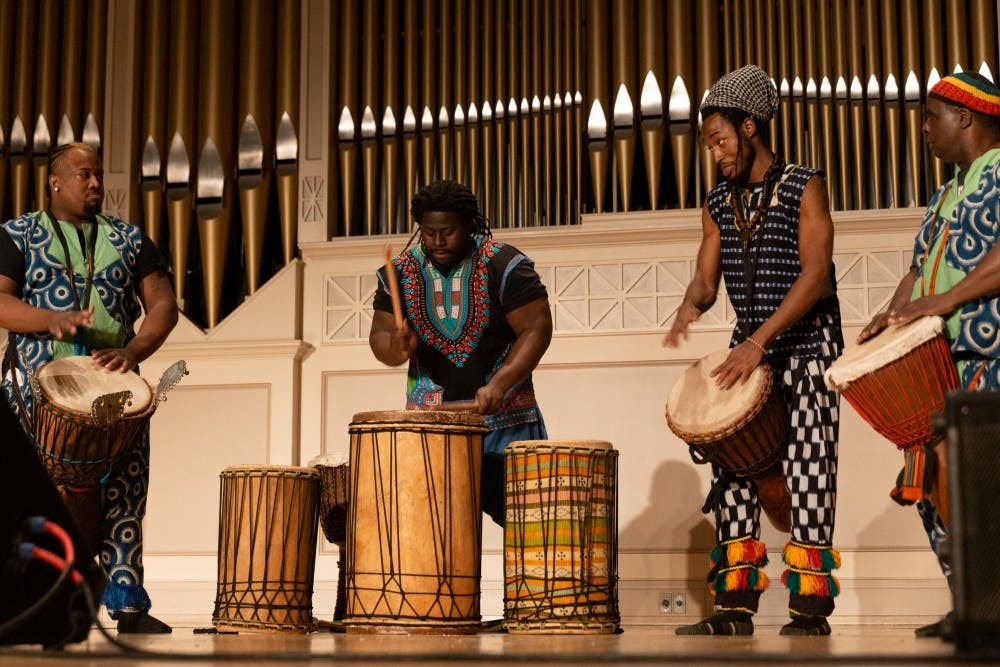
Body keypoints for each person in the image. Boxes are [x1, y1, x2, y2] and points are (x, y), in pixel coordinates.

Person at [663, 65, 844, 636]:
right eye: (709, 145)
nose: (716, 154)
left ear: (749, 127)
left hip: (807, 350)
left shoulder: (802, 184)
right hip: (750, 352)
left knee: (810, 475)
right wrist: (690, 304)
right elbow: (707, 278)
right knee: (733, 478)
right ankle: (735, 610)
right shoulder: (719, 201)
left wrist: (759, 341)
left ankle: (810, 614)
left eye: (720, 140)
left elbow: (815, 276)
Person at [0, 142, 179, 633]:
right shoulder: (18, 234)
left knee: (124, 490)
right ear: (55, 181)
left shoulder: (129, 238)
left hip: (115, 386)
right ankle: (27, 603)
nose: (96, 183)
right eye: (84, 174)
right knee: (27, 496)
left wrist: (135, 351)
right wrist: (48, 319)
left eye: (99, 175)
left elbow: (162, 303)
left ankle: (127, 604)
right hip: (37, 388)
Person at [857, 71, 1000, 640]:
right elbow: (919, 268)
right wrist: (891, 319)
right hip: (945, 364)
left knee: (988, 490)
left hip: (991, 354)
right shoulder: (945, 192)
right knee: (935, 485)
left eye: (929, 116)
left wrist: (941, 301)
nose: (921, 129)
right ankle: (970, 603)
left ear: (964, 117)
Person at [369, 179, 552, 527]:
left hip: (506, 423)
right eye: (429, 232)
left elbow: (537, 328)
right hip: (431, 425)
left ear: (469, 223)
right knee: (436, 537)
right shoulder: (398, 274)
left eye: (449, 231)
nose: (438, 241)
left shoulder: (504, 264)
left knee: (530, 530)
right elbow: (380, 338)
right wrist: (396, 346)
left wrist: (501, 383)